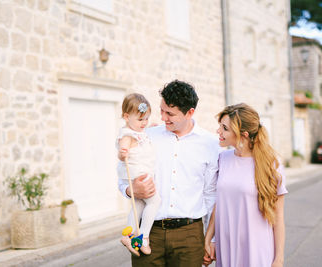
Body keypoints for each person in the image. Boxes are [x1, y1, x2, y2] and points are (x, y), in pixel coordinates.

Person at [118, 80, 219, 267]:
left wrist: (211, 240)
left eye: (170, 113)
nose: (163, 117)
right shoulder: (147, 136)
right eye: (162, 110)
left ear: (190, 113)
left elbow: (210, 194)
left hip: (190, 236)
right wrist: (131, 191)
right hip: (149, 233)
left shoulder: (211, 144)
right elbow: (124, 171)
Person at [203, 103, 288, 267]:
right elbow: (218, 204)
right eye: (219, 126)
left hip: (257, 249)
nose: (218, 132)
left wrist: (279, 259)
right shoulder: (223, 159)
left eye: (224, 128)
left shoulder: (272, 165)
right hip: (226, 245)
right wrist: (208, 239)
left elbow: (278, 217)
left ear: (244, 135)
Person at [116, 93, 161, 256]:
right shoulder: (127, 135)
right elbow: (122, 150)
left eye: (146, 119)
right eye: (140, 120)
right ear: (127, 117)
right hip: (138, 175)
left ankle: (130, 235)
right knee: (155, 202)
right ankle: (144, 237)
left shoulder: (137, 130)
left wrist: (151, 127)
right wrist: (123, 153)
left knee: (139, 205)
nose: (144, 123)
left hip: (138, 173)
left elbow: (142, 134)